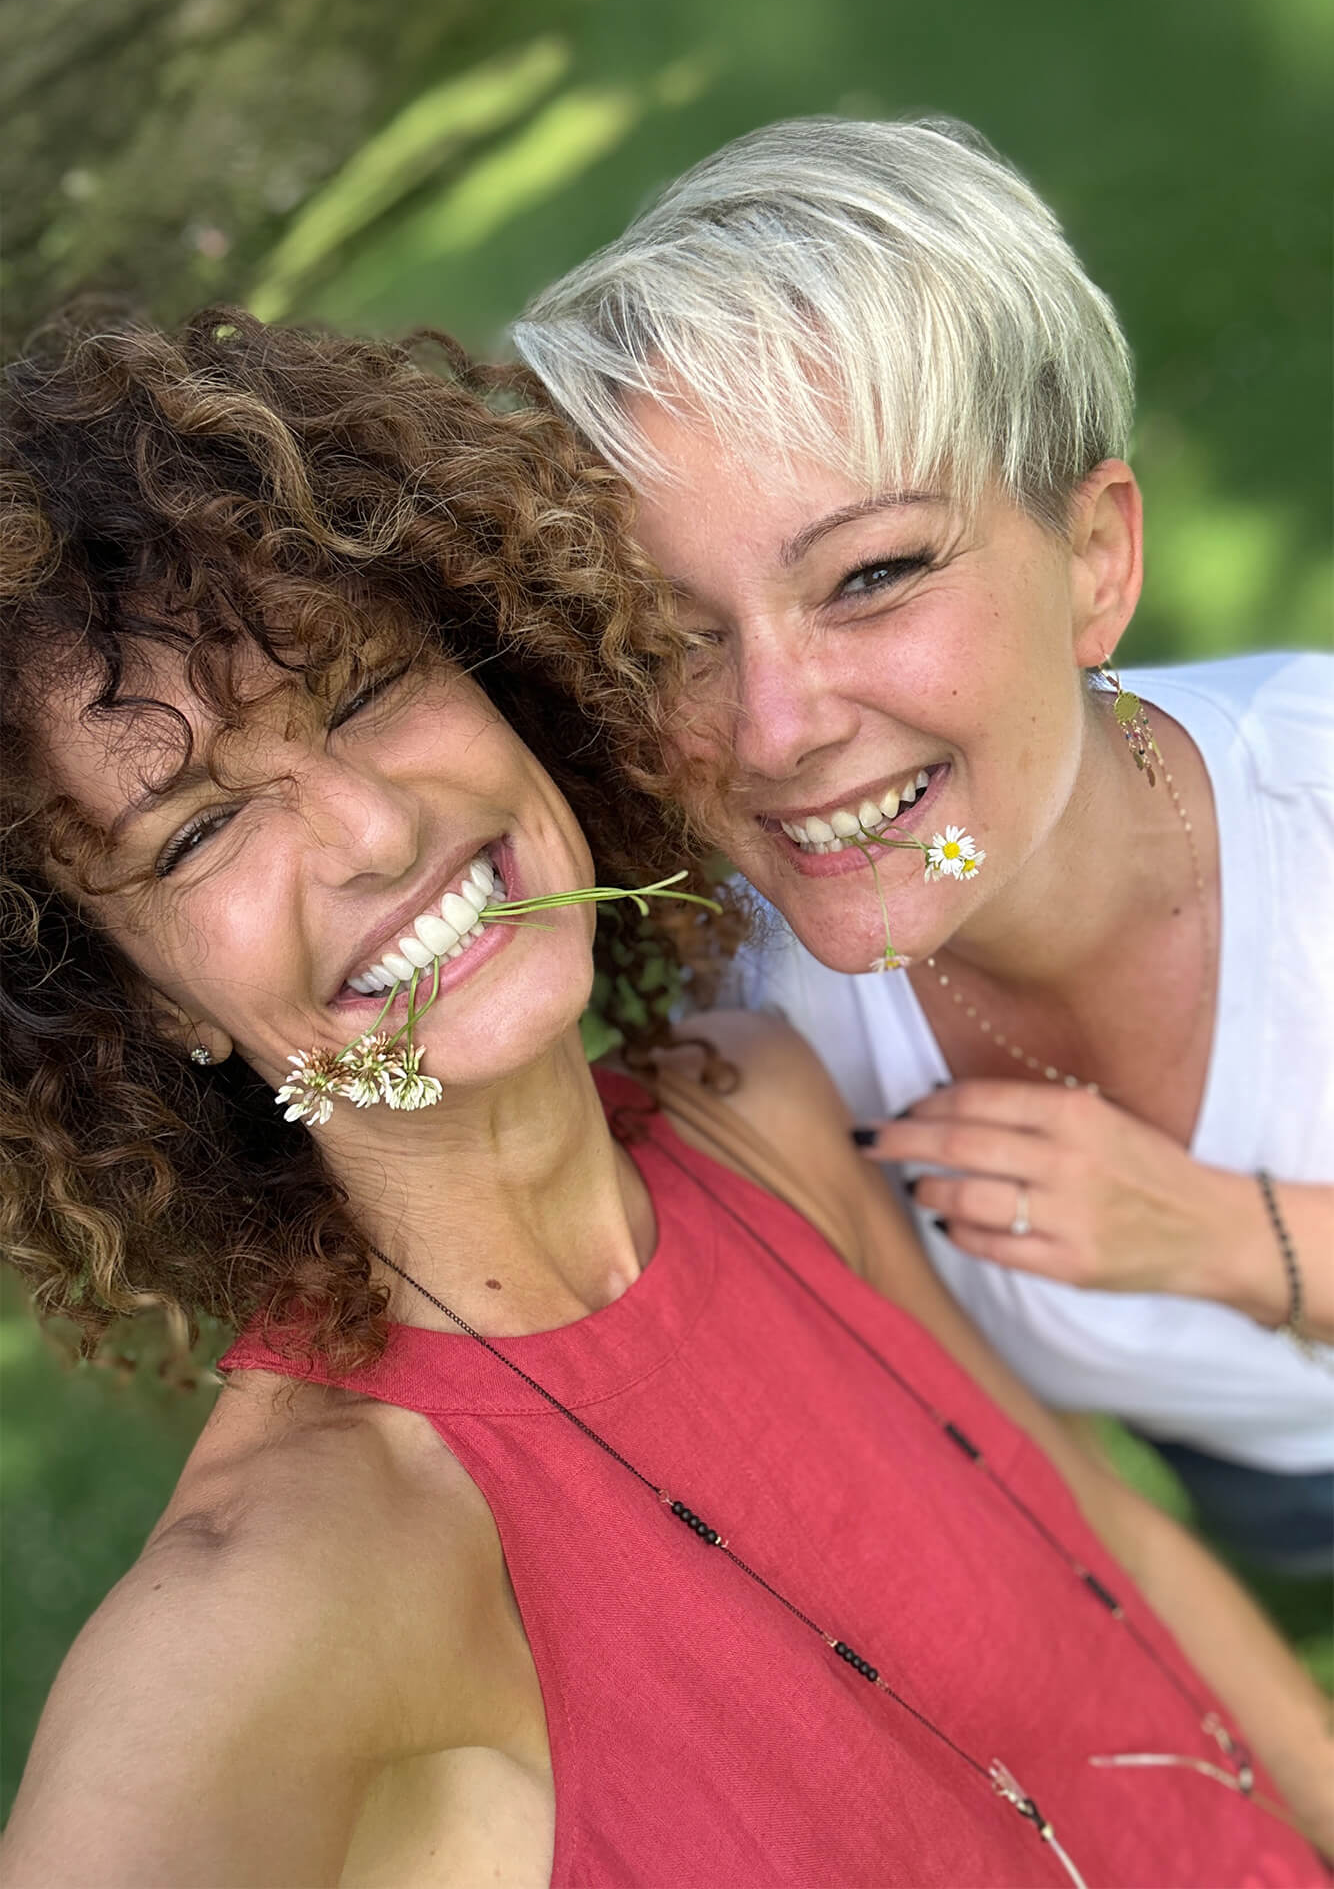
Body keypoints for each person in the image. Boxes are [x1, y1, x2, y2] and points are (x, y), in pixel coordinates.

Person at [0, 312, 1328, 1889]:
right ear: (133, 995)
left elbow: (1107, 1542)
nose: (372, 831)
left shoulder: (756, 1106)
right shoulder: (314, 1558)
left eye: (364, 691)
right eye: (199, 830)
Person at [512, 114, 1334, 1578]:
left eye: (871, 575)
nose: (772, 731)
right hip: (1267, 1487)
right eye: (671, 639)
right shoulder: (746, 1022)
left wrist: (1220, 1235)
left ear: (1094, 557)